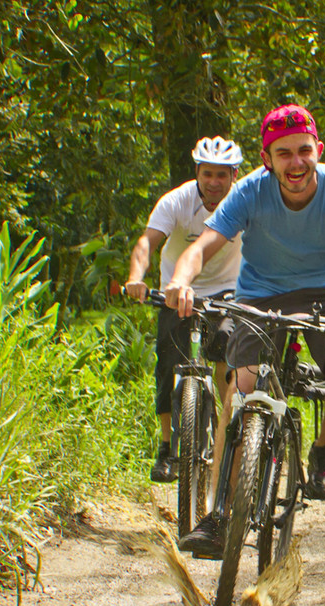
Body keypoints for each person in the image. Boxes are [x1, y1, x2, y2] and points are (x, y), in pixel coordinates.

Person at [164, 103, 325, 557]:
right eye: (283, 153)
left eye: (304, 150)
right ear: (267, 159)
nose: (296, 162)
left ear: (318, 150)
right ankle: (220, 513)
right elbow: (200, 247)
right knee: (239, 392)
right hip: (260, 297)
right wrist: (180, 281)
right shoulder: (247, 192)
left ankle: (324, 452)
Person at [124, 137, 244, 483]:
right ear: (197, 172)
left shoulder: (242, 203)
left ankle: (229, 432)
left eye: (222, 175)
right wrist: (136, 277)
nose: (214, 183)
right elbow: (147, 242)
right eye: (208, 174)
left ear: (234, 175)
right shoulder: (176, 201)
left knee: (227, 348)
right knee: (167, 364)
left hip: (226, 292)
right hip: (176, 291)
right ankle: (166, 448)